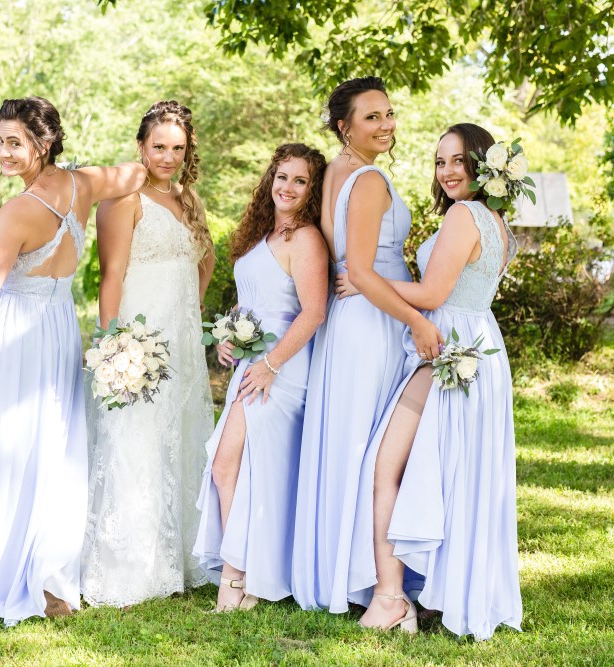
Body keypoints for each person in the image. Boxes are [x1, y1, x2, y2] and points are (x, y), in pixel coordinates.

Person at [0, 96, 148, 625]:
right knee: (50, 445)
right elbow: (139, 173)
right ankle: (48, 574)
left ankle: (1, 572)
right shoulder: (84, 185)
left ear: (43, 143)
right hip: (57, 329)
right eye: (0, 141)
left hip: (13, 333)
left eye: (15, 142)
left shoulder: (19, 209)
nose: (4, 152)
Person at [335, 123, 522, 639]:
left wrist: (364, 281)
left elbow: (435, 293)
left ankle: (392, 596)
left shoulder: (465, 215)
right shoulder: (498, 223)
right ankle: (437, 591)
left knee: (384, 464)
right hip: (480, 346)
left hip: (450, 347)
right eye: (440, 162)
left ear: (484, 165)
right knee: (454, 476)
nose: (447, 172)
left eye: (459, 161)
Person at [290, 76, 444, 617]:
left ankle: (352, 574)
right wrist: (417, 323)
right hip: (378, 319)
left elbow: (347, 263)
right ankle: (380, 585)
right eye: (371, 117)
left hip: (353, 317)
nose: (386, 125)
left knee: (354, 441)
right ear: (344, 126)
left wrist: (361, 276)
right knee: (378, 451)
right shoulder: (370, 179)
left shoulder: (336, 172)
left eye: (389, 113)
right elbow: (358, 266)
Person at [80, 100, 215, 608]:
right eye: (158, 146)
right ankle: (128, 564)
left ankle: (176, 556)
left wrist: (193, 309)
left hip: (180, 336)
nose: (167, 156)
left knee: (178, 435)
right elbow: (111, 275)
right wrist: (114, 344)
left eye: (177, 148)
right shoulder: (123, 200)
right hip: (138, 336)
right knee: (135, 437)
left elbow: (204, 262)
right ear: (141, 146)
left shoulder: (189, 198)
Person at [194, 143, 329, 611]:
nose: (287, 187)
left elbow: (312, 312)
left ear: (312, 191)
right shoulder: (259, 236)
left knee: (228, 464)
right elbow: (251, 300)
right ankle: (244, 571)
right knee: (234, 467)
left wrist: (271, 366)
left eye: (300, 180)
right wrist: (228, 334)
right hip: (253, 364)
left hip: (282, 367)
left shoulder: (305, 238)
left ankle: (238, 577)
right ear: (270, 179)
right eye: (282, 176)